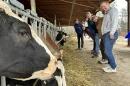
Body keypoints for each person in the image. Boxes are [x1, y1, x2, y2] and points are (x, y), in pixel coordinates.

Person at [100, 1, 119, 73]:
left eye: (104, 6)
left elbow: (115, 21)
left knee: (107, 51)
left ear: (108, 4)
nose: (103, 8)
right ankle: (110, 65)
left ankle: (113, 67)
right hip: (106, 34)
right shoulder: (107, 13)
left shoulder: (113, 10)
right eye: (102, 7)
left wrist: (112, 33)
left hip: (110, 33)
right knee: (107, 50)